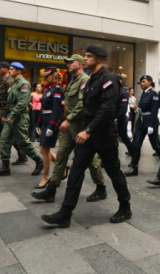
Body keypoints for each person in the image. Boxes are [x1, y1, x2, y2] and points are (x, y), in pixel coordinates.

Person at [42, 45, 131, 228]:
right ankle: (65, 213)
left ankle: (125, 207)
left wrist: (87, 130)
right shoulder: (91, 80)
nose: (85, 59)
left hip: (103, 134)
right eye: (84, 56)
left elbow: (106, 110)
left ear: (100, 59)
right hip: (88, 135)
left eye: (89, 56)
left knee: (113, 171)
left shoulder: (109, 79)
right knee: (75, 171)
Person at [32, 55, 106, 203]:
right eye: (68, 63)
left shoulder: (84, 80)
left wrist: (68, 119)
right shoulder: (73, 81)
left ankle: (101, 188)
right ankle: (51, 190)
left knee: (91, 160)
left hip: (79, 126)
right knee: (61, 156)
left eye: (71, 62)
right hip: (70, 126)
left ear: (80, 64)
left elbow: (81, 104)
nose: (68, 65)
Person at [0, 62, 44, 176]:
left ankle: (39, 161)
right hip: (11, 116)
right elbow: (9, 102)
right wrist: (6, 114)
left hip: (20, 117)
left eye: (11, 69)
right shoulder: (14, 84)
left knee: (22, 142)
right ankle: (5, 167)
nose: (9, 71)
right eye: (9, 69)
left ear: (19, 71)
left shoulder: (24, 84)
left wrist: (12, 115)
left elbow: (22, 103)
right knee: (4, 139)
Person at [124, 75, 160, 176]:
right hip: (141, 122)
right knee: (136, 145)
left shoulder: (153, 93)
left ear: (150, 82)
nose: (141, 83)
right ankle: (134, 167)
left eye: (144, 81)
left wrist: (151, 125)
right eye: (141, 82)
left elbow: (155, 110)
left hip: (150, 122)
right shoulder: (143, 93)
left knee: (156, 146)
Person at [35, 67, 63, 187]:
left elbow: (57, 110)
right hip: (46, 121)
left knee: (44, 149)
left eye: (49, 76)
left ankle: (46, 176)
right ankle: (63, 168)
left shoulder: (57, 90)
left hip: (52, 121)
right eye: (45, 76)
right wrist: (38, 123)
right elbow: (43, 108)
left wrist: (52, 125)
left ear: (54, 76)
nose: (46, 78)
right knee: (44, 149)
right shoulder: (47, 89)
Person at [116, 76, 133, 155]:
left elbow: (123, 109)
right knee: (111, 139)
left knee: (124, 137)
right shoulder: (114, 91)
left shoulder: (123, 92)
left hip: (121, 119)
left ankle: (133, 152)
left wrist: (116, 119)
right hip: (114, 118)